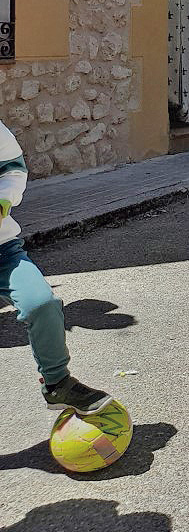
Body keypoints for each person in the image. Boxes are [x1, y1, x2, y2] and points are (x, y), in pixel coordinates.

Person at [2, 120, 115, 417]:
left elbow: (12, 169)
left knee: (42, 303)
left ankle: (58, 384)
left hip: (3, 251)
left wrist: (4, 200)